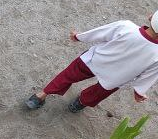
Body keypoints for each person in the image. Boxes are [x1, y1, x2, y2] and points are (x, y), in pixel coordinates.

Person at [25, 13, 158, 113]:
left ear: (151, 17)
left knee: (67, 76)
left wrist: (78, 37)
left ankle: (40, 96)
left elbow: (99, 33)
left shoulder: (126, 26)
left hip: (94, 60)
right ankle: (79, 103)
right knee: (97, 93)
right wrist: (139, 92)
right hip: (116, 78)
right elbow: (148, 76)